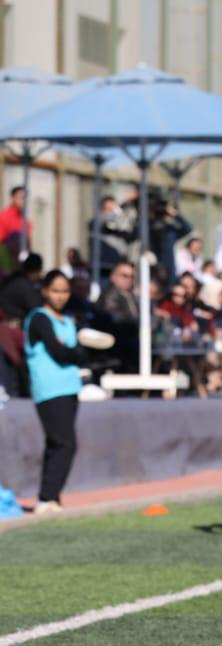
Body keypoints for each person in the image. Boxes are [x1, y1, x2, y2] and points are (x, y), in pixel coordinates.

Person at [23, 271, 88, 514]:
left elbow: (81, 354)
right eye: (55, 290)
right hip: (49, 389)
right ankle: (46, 497)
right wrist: (73, 353)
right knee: (65, 443)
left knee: (56, 444)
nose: (60, 296)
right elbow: (60, 352)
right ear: (45, 291)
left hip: (70, 387)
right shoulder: (39, 318)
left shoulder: (68, 321)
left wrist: (74, 352)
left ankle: (52, 498)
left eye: (65, 291)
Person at [0, 253, 44, 325]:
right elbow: (37, 307)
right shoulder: (24, 284)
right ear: (38, 270)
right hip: (10, 321)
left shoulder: (15, 278)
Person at [0, 187, 31, 256]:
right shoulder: (4, 217)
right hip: (8, 259)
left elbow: (28, 243)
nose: (24, 201)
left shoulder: (26, 221)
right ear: (13, 198)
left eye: (25, 198)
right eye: (21, 198)